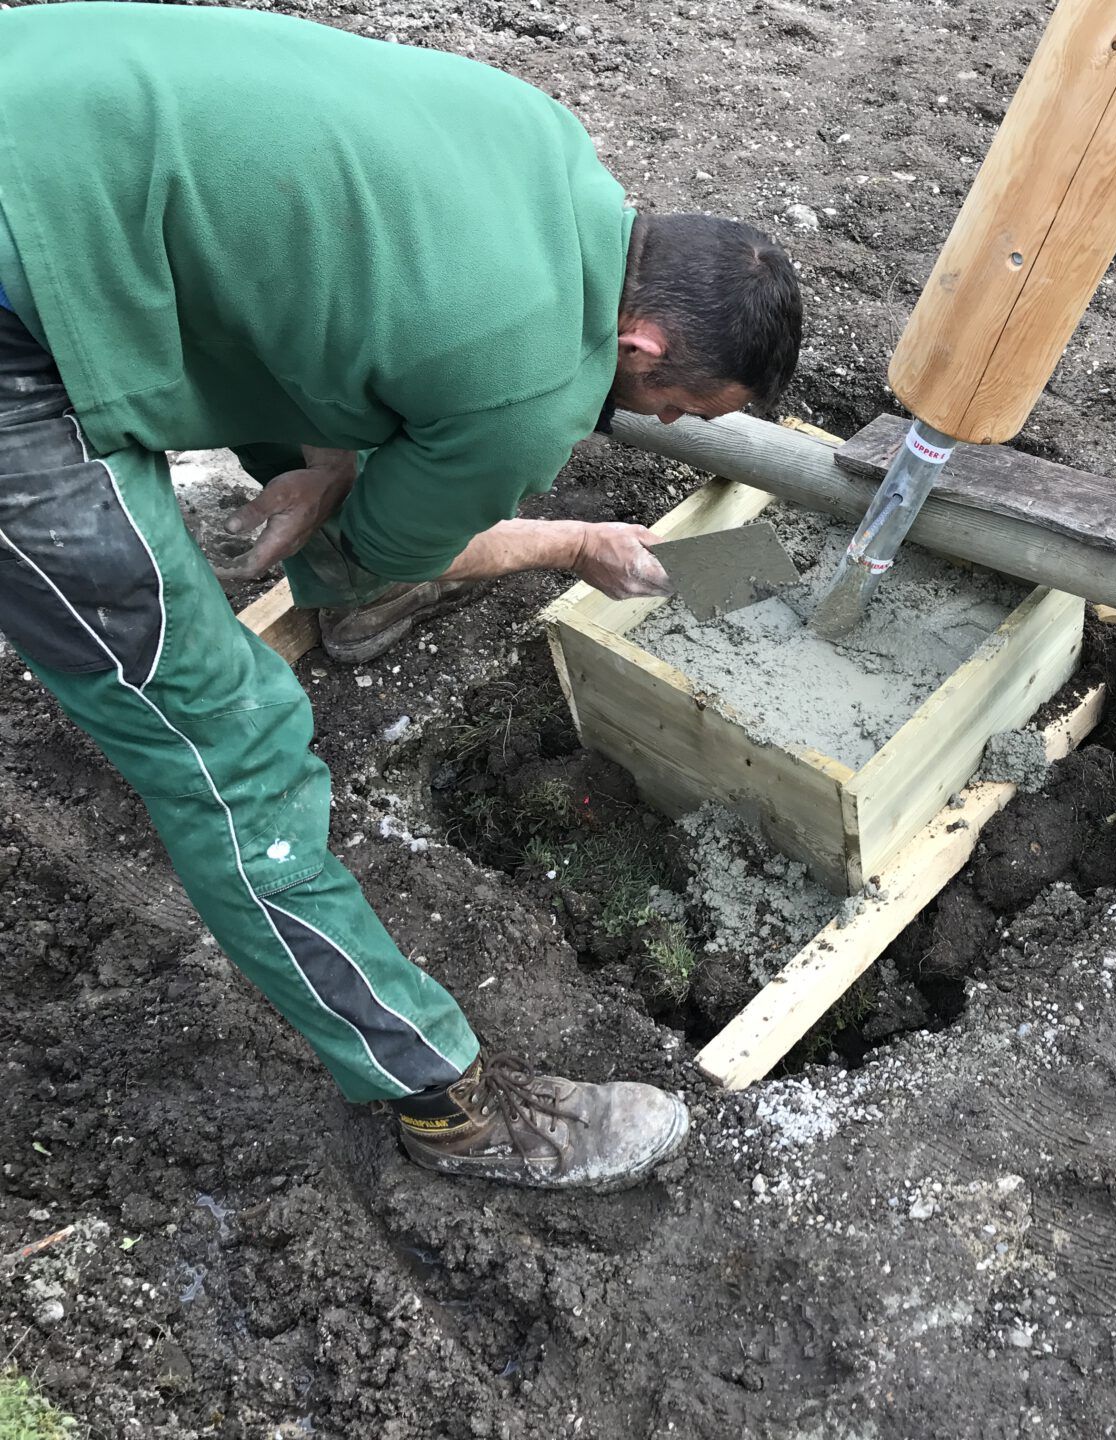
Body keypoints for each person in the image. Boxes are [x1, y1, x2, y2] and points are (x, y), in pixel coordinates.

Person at [0, 3, 803, 1191]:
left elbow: (323, 288)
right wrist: (573, 539)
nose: (671, 431)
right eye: (686, 409)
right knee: (230, 741)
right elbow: (386, 546)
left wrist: (320, 461)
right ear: (639, 341)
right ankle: (443, 1104)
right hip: (20, 300)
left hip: (42, 95)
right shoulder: (532, 382)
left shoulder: (543, 145)